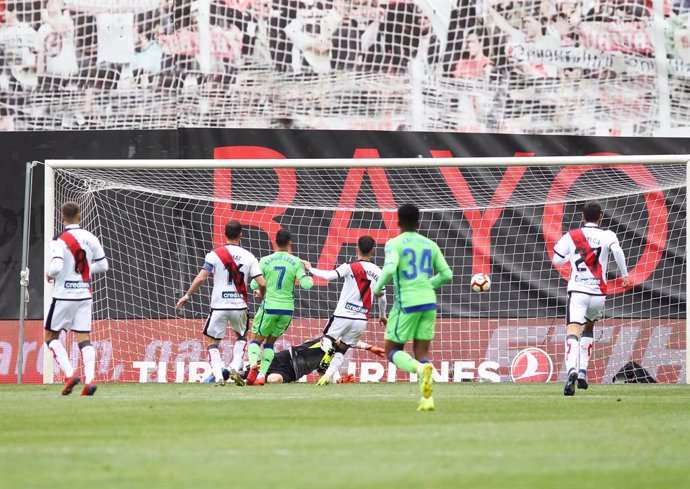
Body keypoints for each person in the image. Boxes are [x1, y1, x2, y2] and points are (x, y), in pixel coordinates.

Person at [373, 203, 452, 411]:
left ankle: (419, 369)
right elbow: (447, 275)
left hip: (406, 303)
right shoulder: (430, 244)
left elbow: (390, 269)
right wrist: (427, 285)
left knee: (391, 350)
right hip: (429, 302)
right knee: (422, 352)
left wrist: (378, 288)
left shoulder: (394, 243)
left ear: (398, 222)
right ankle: (427, 399)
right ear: (418, 222)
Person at [552, 201, 630, 396]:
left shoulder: (572, 235)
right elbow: (617, 251)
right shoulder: (607, 235)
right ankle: (582, 373)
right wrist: (625, 275)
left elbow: (557, 259)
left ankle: (571, 370)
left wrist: (572, 255)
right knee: (589, 327)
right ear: (601, 217)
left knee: (572, 330)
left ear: (582, 216)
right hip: (598, 294)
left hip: (577, 291)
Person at [176, 221, 266, 387]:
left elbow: (202, 277)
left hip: (219, 306)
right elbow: (262, 282)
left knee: (212, 343)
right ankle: (234, 367)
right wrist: (262, 294)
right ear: (241, 234)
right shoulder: (249, 256)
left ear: (224, 234)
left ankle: (218, 376)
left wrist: (187, 295)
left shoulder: (215, 254)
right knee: (241, 336)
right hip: (239, 306)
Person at [301, 234, 387, 386]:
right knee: (343, 349)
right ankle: (327, 377)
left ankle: (328, 352)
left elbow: (328, 276)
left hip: (342, 315)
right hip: (361, 319)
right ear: (373, 251)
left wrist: (310, 268)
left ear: (356, 249)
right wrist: (382, 315)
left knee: (326, 340)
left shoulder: (350, 267)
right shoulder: (379, 273)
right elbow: (382, 297)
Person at [45, 202, 109, 396]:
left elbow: (56, 267)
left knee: (50, 337)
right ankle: (90, 380)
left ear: (62, 217)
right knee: (84, 337)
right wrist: (85, 273)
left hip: (64, 295)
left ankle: (70, 374)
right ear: (80, 216)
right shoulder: (91, 237)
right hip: (84, 294)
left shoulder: (58, 239)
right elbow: (104, 265)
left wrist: (50, 273)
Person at [246, 229, 313, 386]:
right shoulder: (297, 262)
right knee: (270, 343)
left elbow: (255, 284)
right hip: (287, 310)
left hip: (269, 307)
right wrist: (309, 274)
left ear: (275, 242)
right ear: (289, 243)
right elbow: (306, 285)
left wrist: (259, 291)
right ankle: (262, 375)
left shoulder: (264, 260)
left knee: (255, 340)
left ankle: (253, 364)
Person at [262, 337, 384, 384]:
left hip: (291, 374)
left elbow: (324, 376)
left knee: (274, 380)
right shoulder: (326, 341)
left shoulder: (333, 359)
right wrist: (369, 347)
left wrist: (339, 381)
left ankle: (254, 379)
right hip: (284, 358)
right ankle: (247, 375)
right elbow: (347, 340)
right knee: (254, 372)